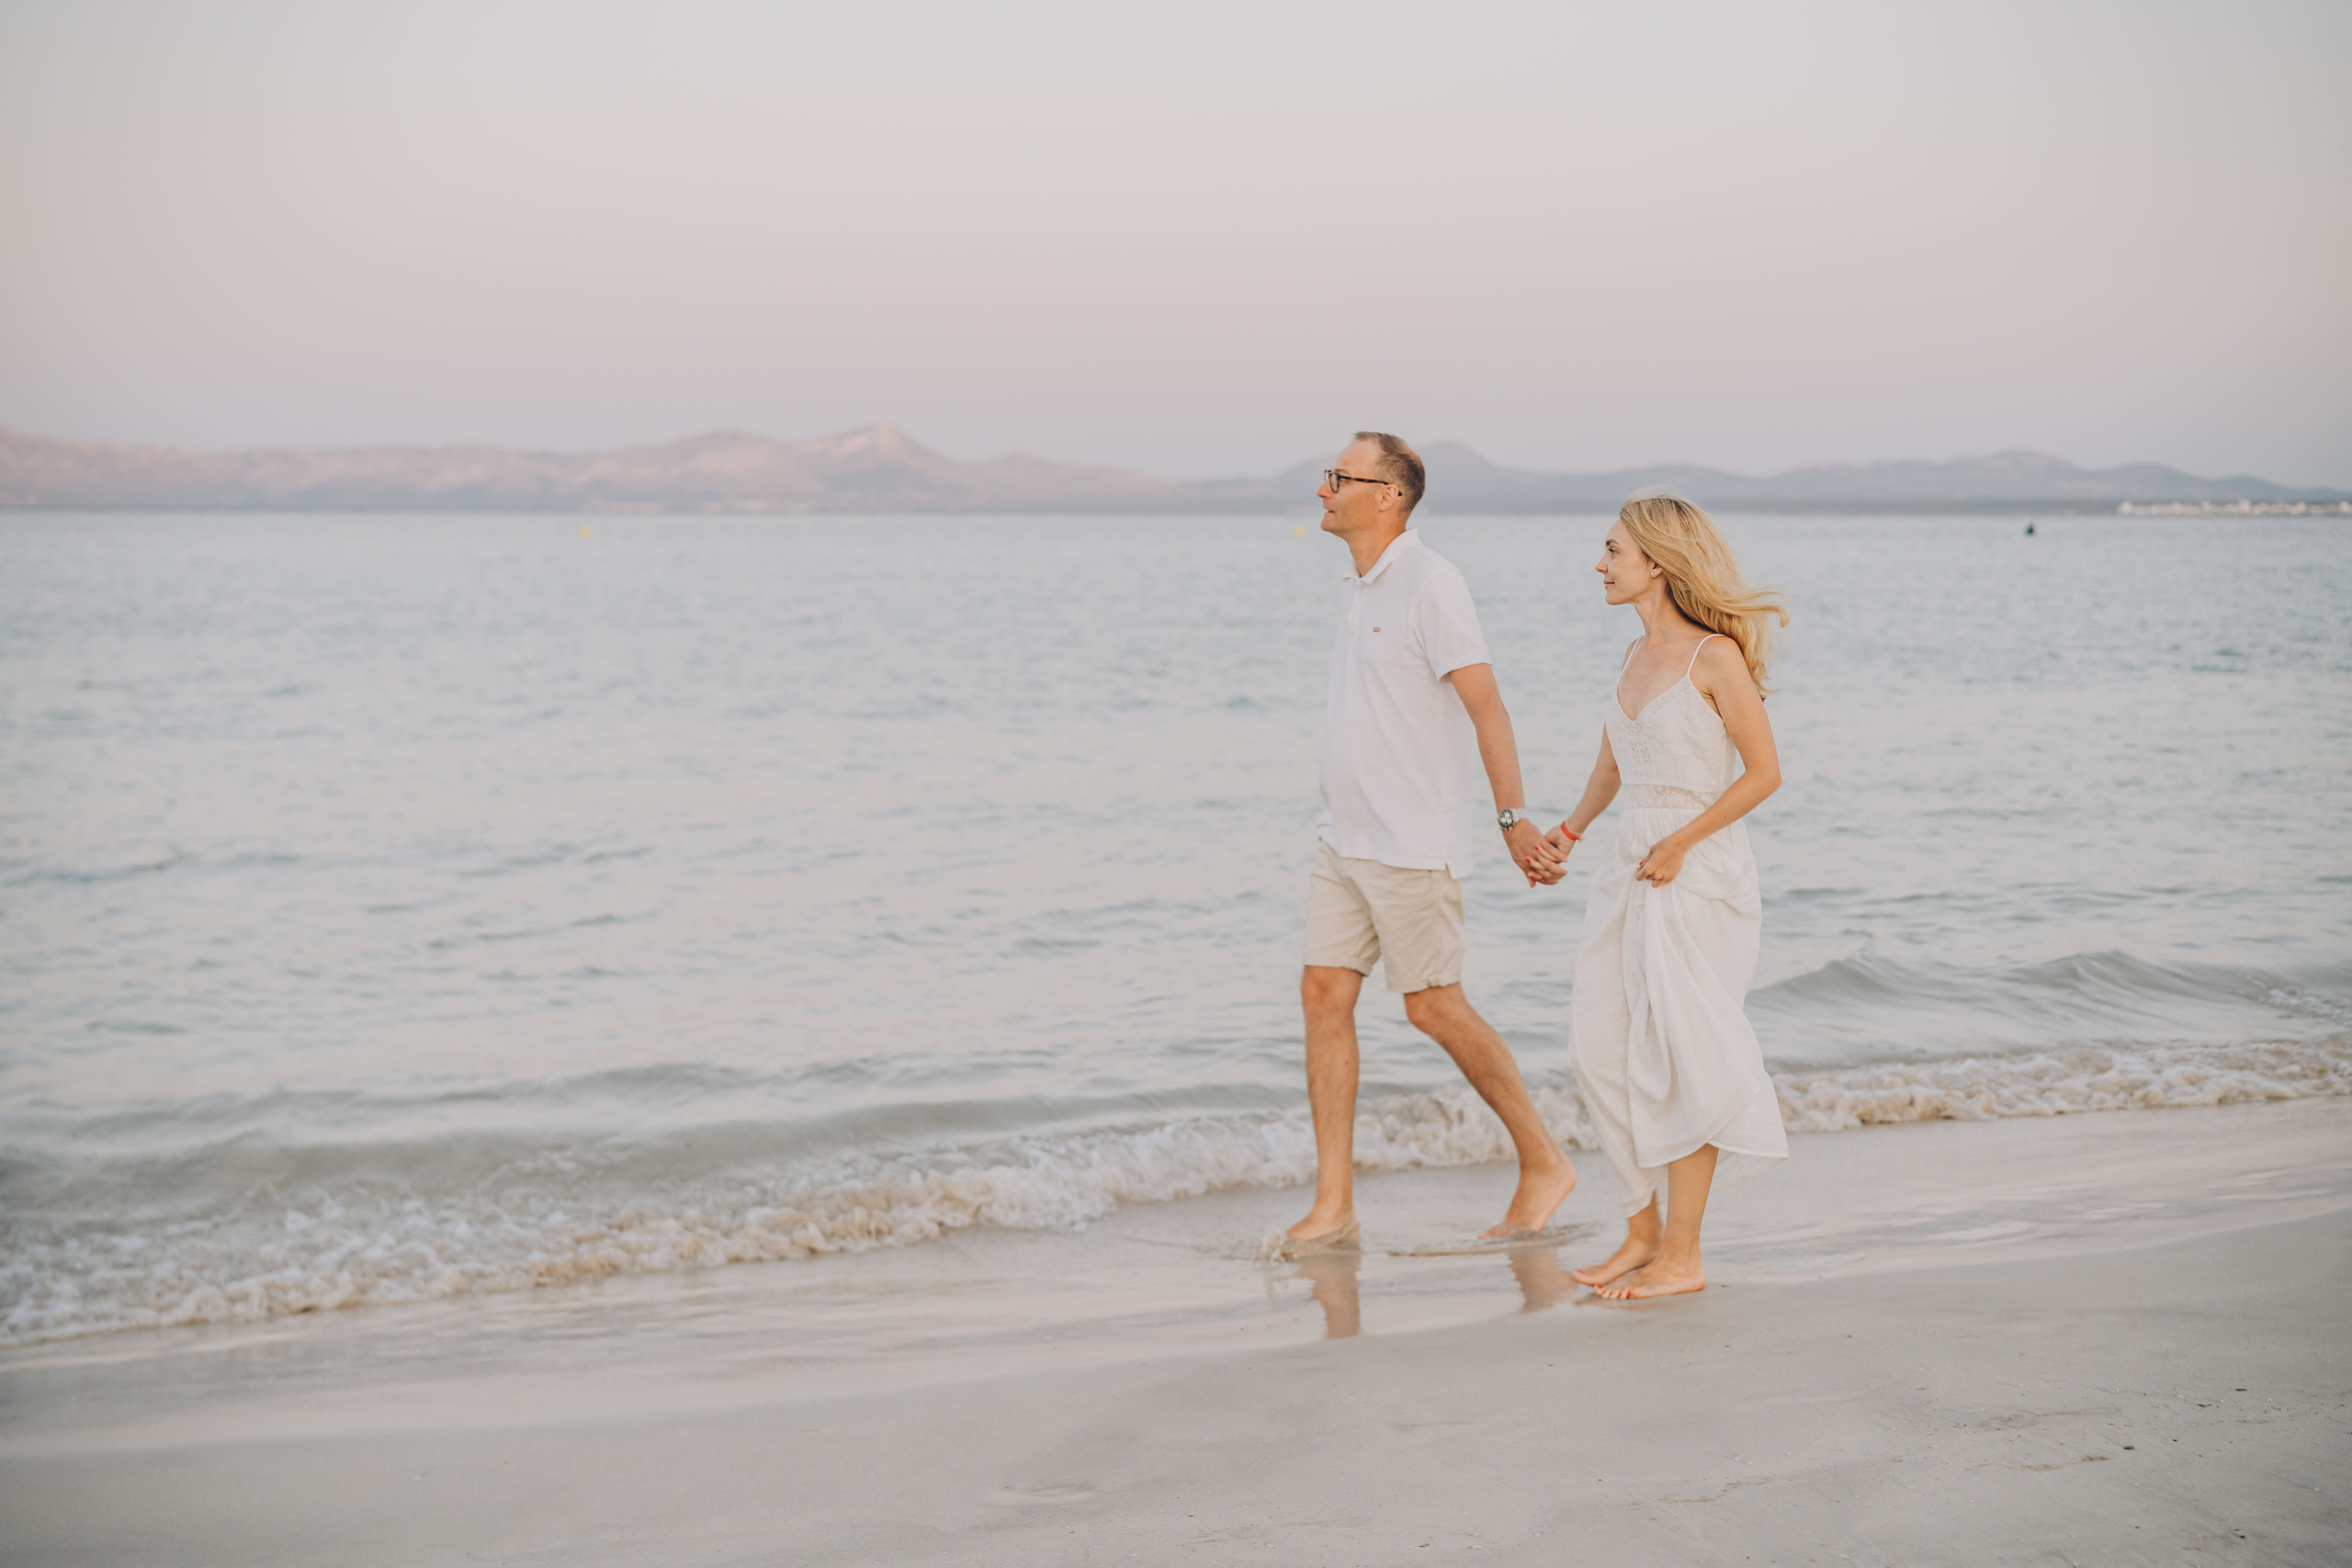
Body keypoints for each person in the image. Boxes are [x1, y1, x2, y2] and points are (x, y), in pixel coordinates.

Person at [1283, 432, 1577, 1254]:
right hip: (1343, 836)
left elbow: (1487, 707)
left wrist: (1514, 818)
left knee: (1433, 1004)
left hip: (1410, 840)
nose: (1324, 490)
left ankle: (1545, 1160)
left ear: (1389, 495)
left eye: (1339, 477)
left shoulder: (1432, 581)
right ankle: (1334, 1203)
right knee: (1321, 995)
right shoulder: (1360, 583)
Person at [1546, 488, 1790, 1299]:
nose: (1600, 564)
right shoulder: (1630, 657)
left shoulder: (1713, 657)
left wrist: (1683, 840)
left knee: (1686, 1054)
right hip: (1629, 863)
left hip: (1696, 870)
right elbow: (1616, 764)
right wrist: (1571, 831)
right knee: (1600, 1041)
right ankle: (1641, 1230)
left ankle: (1683, 1257)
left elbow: (1765, 773)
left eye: (1612, 550)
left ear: (1655, 561)